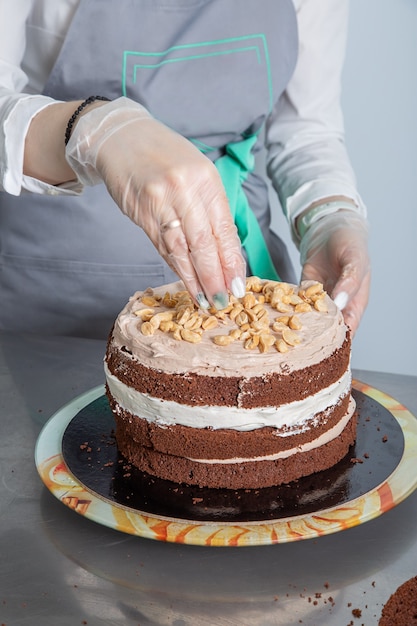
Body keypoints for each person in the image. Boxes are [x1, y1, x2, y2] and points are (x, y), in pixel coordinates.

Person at [0, 0, 370, 339]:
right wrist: (94, 129)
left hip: (242, 306)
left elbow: (305, 131)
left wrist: (328, 213)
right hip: (49, 296)